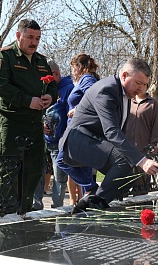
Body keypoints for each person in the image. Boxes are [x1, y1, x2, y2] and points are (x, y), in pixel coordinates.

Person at [57, 58, 158, 213]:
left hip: (95, 141)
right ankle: (95, 202)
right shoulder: (107, 90)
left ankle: (91, 202)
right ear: (124, 75)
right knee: (125, 161)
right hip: (77, 141)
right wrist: (142, 161)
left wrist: (137, 157)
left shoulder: (125, 95)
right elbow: (112, 131)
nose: (141, 89)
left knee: (128, 175)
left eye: (145, 85)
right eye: (138, 83)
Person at [0, 19, 57, 211]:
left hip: (35, 123)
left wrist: (49, 97)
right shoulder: (5, 56)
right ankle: (8, 215)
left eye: (37, 38)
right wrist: (28, 100)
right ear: (18, 36)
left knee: (33, 170)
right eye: (30, 37)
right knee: (10, 170)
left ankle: (24, 211)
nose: (34, 42)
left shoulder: (41, 60)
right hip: (12, 122)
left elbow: (53, 85)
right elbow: (1, 85)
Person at [57, 53, 100, 206]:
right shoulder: (87, 78)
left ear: (79, 66)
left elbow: (95, 97)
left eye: (73, 68)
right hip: (83, 129)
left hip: (79, 129)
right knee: (83, 164)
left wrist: (78, 109)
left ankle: (91, 188)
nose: (72, 72)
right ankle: (88, 201)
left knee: (62, 160)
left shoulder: (86, 78)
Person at [33, 60, 74, 210]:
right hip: (42, 140)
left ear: (55, 74)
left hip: (59, 142)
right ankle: (36, 206)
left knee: (59, 176)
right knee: (38, 173)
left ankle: (57, 207)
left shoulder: (68, 89)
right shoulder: (41, 88)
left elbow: (71, 115)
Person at [125, 84, 158, 195]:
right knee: (123, 188)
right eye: (137, 84)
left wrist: (152, 146)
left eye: (143, 85)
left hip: (143, 152)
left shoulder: (152, 104)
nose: (140, 87)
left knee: (140, 189)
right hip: (126, 151)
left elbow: (156, 128)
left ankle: (143, 210)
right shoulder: (127, 102)